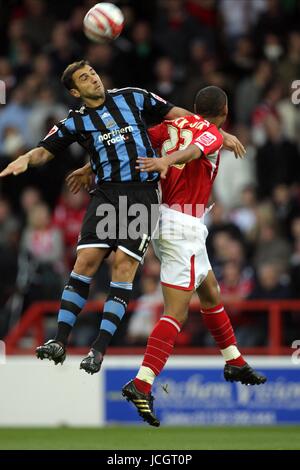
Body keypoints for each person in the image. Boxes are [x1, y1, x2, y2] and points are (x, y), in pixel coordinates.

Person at [67, 86, 266, 427]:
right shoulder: (211, 137)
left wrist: (90, 166)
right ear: (226, 111)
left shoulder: (173, 126)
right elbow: (195, 150)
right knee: (176, 313)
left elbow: (130, 143)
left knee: (210, 291)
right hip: (182, 227)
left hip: (169, 220)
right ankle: (142, 383)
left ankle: (234, 360)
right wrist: (168, 160)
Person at [0, 60, 195, 373]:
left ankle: (98, 349)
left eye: (92, 73)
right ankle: (60, 341)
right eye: (84, 78)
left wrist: (206, 130)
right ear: (75, 91)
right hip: (106, 195)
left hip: (142, 195)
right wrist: (25, 158)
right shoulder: (77, 120)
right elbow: (45, 150)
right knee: (85, 262)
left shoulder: (133, 96)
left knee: (122, 267)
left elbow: (176, 115)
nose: (93, 78)